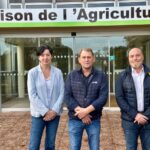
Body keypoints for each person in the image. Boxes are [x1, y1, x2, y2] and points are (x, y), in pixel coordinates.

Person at [65, 48, 108, 150]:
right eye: (83, 57)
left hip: (94, 119)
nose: (86, 59)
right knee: (74, 147)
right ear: (79, 60)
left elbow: (103, 97)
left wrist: (86, 111)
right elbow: (67, 96)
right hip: (75, 119)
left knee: (94, 147)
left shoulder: (101, 76)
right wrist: (81, 113)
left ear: (93, 59)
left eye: (89, 57)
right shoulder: (72, 75)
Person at [27, 45, 64, 150]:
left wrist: (54, 111)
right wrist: (45, 111)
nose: (45, 57)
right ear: (38, 57)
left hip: (54, 114)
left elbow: (62, 93)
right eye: (42, 55)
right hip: (38, 114)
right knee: (34, 145)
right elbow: (32, 95)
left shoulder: (58, 72)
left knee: (50, 145)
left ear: (51, 56)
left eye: (48, 55)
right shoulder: (32, 73)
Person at [115, 47, 150, 150]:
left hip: (148, 120)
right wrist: (135, 115)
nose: (135, 58)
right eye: (132, 56)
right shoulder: (122, 76)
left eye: (137, 55)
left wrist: (146, 115)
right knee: (130, 148)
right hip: (129, 121)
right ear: (129, 59)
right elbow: (119, 98)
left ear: (142, 57)